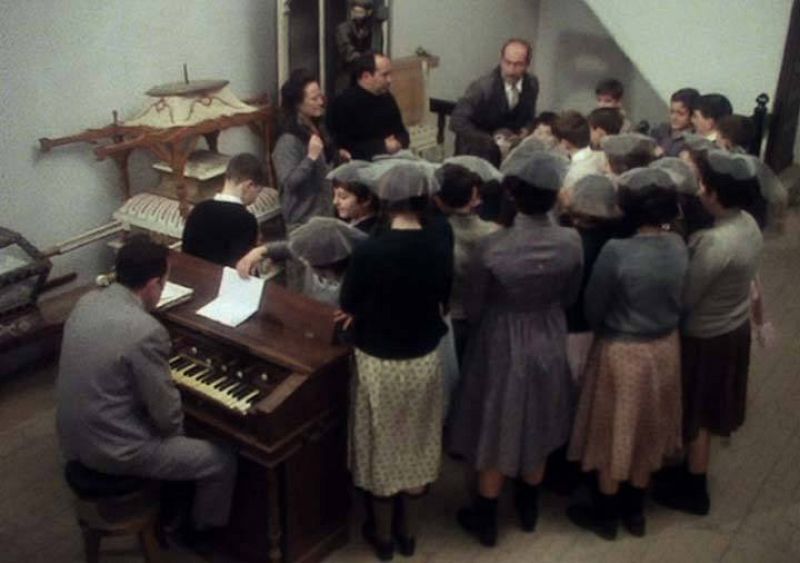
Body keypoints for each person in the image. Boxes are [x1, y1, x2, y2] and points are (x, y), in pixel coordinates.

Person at [56, 236, 237, 541]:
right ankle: (202, 530)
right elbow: (167, 418)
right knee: (221, 458)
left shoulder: (86, 302)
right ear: (153, 284)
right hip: (115, 451)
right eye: (165, 282)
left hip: (72, 439)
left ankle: (174, 504)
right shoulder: (145, 331)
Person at [448, 152, 583, 548]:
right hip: (548, 330)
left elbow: (473, 306)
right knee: (539, 419)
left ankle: (486, 518)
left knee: (496, 423)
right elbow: (571, 294)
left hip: (501, 337)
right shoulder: (571, 240)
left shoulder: (493, 246)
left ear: (512, 194)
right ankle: (528, 507)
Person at [567, 168, 687, 540]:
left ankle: (605, 515)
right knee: (647, 432)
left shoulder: (616, 251)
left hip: (622, 349)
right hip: (665, 347)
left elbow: (594, 307)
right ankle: (636, 512)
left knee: (610, 432)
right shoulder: (679, 246)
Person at [338, 165, 452, 560]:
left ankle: (383, 538)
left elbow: (347, 303)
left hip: (379, 360)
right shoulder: (439, 243)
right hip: (423, 356)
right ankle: (410, 535)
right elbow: (443, 295)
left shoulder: (370, 250)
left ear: (384, 202)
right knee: (419, 439)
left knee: (381, 443)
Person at [653, 150, 763, 516]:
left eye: (702, 186)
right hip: (734, 325)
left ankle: (694, 487)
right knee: (712, 406)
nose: (699, 191)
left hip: (706, 335)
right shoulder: (747, 223)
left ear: (715, 194)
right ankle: (691, 473)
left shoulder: (714, 244)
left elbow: (687, 296)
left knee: (699, 413)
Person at [433, 162, 500, 364]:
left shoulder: (434, 235)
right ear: (473, 196)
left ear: (438, 199)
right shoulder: (495, 232)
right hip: (488, 317)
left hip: (449, 318)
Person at [450, 39, 539, 166]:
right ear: (501, 60)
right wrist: (490, 141)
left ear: (527, 64)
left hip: (509, 156)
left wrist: (525, 130)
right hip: (477, 154)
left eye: (518, 64)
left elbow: (530, 115)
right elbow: (457, 121)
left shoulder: (531, 84)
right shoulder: (482, 87)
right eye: (507, 62)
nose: (511, 70)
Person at [273, 69, 334, 233]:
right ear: (298, 103)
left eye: (321, 96)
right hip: (303, 223)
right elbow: (290, 184)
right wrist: (311, 157)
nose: (321, 102)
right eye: (314, 99)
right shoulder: (287, 139)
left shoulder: (317, 126)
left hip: (324, 214)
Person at [181, 153, 265, 267]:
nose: (255, 199)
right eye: (257, 192)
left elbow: (186, 254)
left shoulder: (198, 210)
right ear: (249, 185)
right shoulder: (246, 220)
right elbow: (243, 267)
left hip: (194, 278)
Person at [327, 52, 409, 162]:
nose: (390, 80)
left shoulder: (387, 98)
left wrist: (398, 142)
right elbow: (344, 147)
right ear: (366, 76)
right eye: (384, 75)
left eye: (390, 75)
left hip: (393, 157)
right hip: (362, 164)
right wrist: (382, 146)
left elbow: (403, 133)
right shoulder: (344, 103)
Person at [334, 0, 384, 92]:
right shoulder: (343, 28)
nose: (357, 14)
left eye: (360, 12)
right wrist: (365, 60)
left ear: (368, 12)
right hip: (347, 73)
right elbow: (347, 52)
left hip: (363, 74)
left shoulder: (370, 29)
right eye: (355, 11)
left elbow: (376, 50)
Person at [651, 88, 700, 157]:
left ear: (692, 115)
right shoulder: (660, 130)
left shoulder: (694, 142)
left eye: (680, 114)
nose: (674, 118)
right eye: (672, 112)